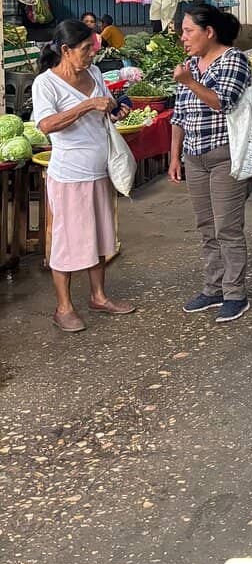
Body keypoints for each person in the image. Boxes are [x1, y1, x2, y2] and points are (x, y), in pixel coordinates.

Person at [31, 19, 134, 333]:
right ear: (66, 50)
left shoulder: (94, 74)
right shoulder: (45, 84)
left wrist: (115, 110)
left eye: (93, 47)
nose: (92, 53)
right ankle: (63, 308)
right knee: (67, 241)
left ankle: (98, 296)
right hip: (69, 175)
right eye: (86, 48)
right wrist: (88, 104)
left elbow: (105, 109)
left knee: (101, 235)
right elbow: (46, 125)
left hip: (98, 170)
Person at [169, 4, 252, 323]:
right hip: (194, 156)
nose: (183, 37)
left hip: (225, 156)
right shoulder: (190, 64)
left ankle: (235, 293)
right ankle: (213, 287)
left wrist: (190, 81)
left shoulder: (234, 60)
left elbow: (223, 102)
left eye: (188, 30)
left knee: (228, 228)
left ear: (209, 32)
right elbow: (179, 114)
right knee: (206, 227)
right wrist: (174, 155)